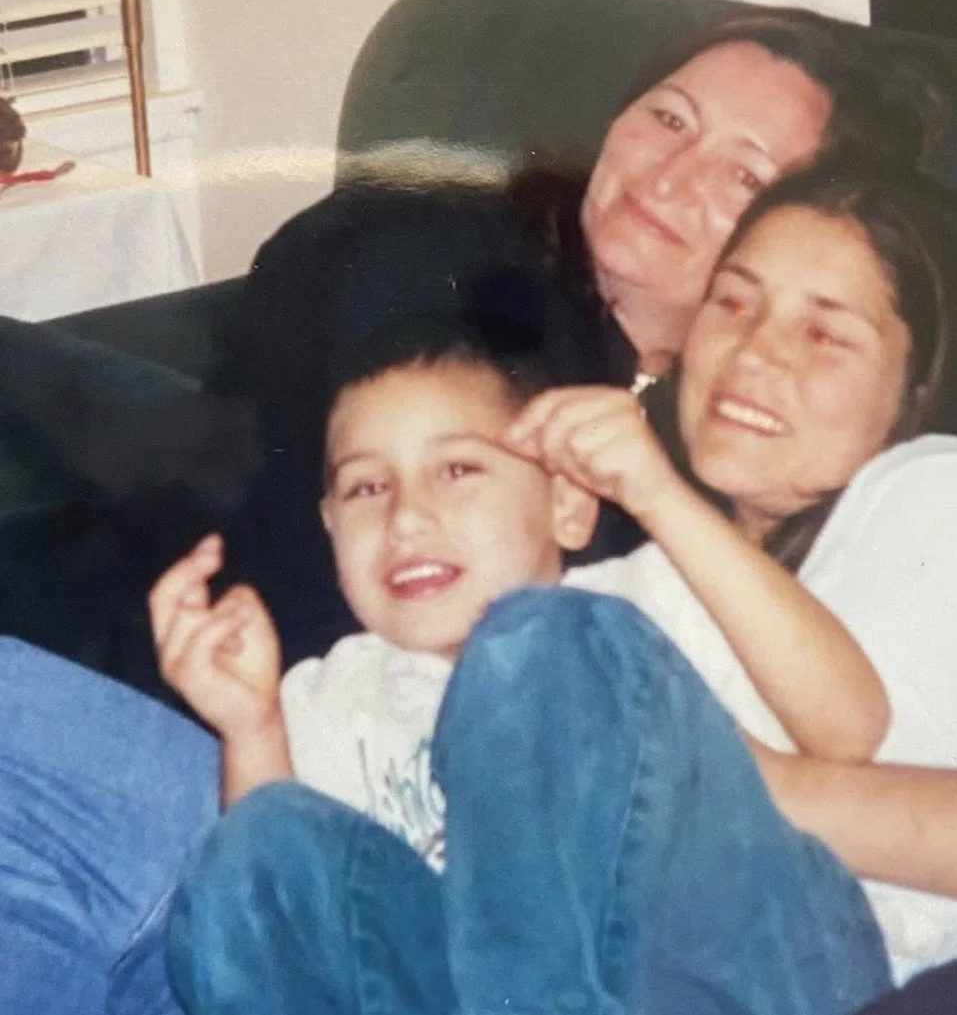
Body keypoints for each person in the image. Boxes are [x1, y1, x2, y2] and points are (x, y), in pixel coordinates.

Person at [0, 8, 932, 1015]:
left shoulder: (708, 486)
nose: (670, 175)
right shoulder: (457, 265)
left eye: (742, 172)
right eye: (667, 118)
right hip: (195, 759)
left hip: (237, 820)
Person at [163, 162, 957, 1015]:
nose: (751, 353)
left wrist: (698, 774)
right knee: (253, 857)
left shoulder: (939, 495)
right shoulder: (642, 578)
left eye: (823, 330)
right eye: (731, 306)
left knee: (542, 648)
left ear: (917, 379)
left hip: (818, 967)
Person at [152, 285, 894, 1015]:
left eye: (458, 469)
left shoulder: (642, 603)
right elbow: (290, 922)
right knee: (254, 845)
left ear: (567, 501)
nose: (407, 517)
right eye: (367, 487)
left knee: (534, 642)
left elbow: (848, 724)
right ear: (330, 529)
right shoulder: (333, 698)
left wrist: (658, 492)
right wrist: (249, 726)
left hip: (740, 976)